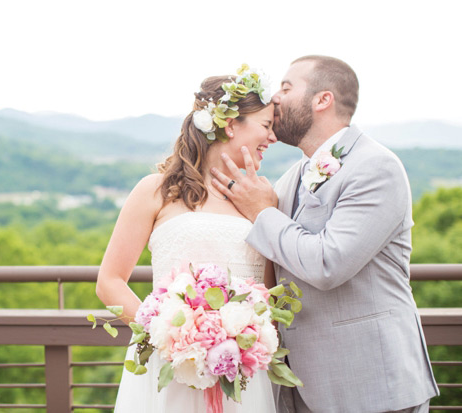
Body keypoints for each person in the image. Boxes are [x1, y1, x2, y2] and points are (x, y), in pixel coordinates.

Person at [210, 55, 439, 412]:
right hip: (302, 386)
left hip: (371, 384)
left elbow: (328, 264)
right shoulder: (293, 176)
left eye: (286, 88)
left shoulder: (376, 168)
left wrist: (261, 212)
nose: (275, 99)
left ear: (322, 100)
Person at [96, 66, 278, 412]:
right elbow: (109, 281)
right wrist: (169, 338)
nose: (272, 138)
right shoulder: (155, 190)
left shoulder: (263, 199)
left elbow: (268, 293)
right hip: (168, 369)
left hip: (240, 375)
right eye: (266, 126)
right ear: (230, 124)